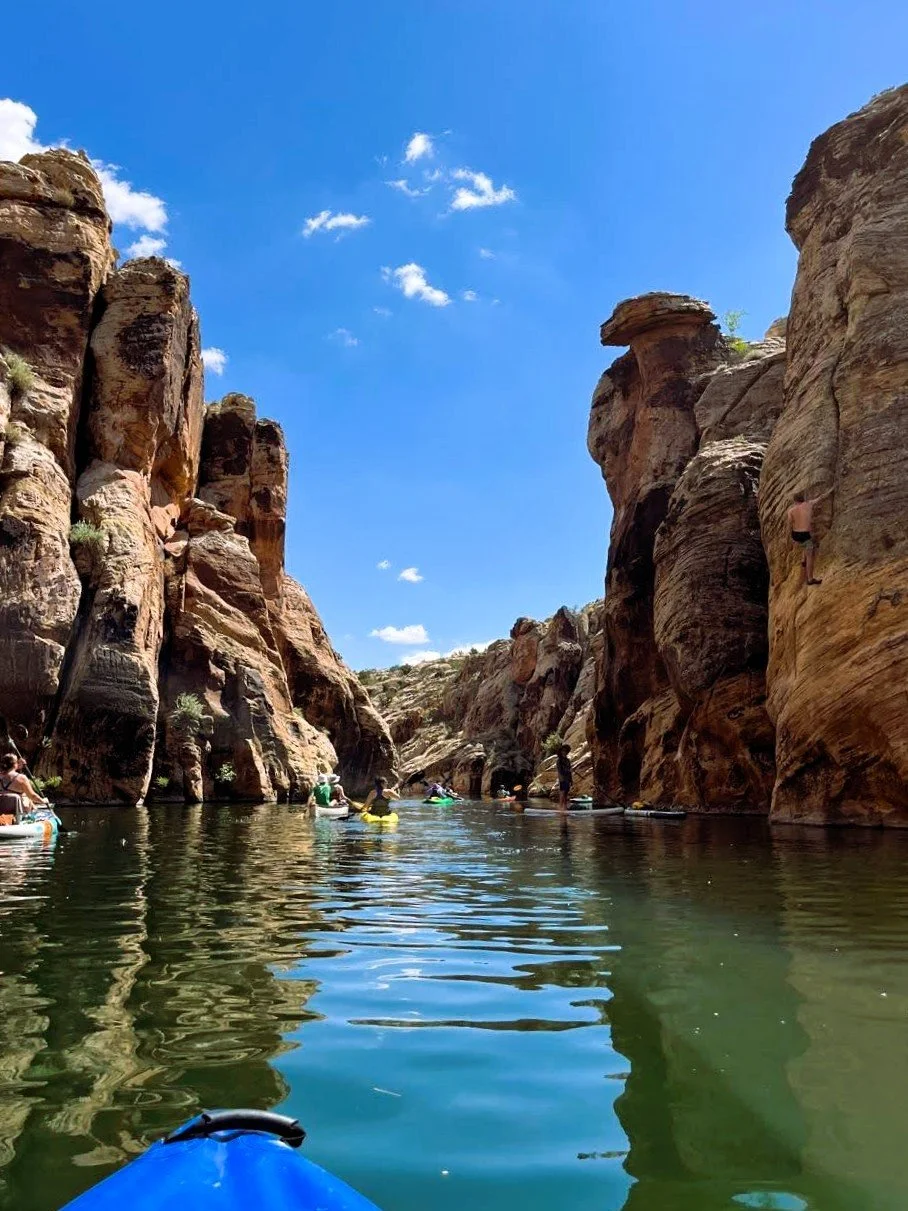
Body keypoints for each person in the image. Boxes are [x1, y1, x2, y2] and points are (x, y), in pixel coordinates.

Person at [788, 488, 833, 586]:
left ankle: (803, 560)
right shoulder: (809, 504)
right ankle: (810, 579)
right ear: (803, 499)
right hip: (805, 535)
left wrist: (791, 537)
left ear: (795, 501)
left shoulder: (791, 511)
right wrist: (831, 490)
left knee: (805, 543)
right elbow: (821, 498)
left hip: (796, 534)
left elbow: (790, 524)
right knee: (810, 554)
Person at [0, 752, 47, 819]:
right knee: (27, 797)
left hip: (2, 812)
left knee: (25, 797)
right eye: (17, 762)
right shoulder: (22, 778)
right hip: (17, 814)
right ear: (15, 764)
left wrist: (18, 766)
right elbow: (32, 796)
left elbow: (9, 773)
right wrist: (43, 801)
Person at [556, 744, 573, 812]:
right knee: (562, 793)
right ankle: (560, 808)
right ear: (561, 752)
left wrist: (571, 780)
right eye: (563, 751)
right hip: (562, 779)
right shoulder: (559, 761)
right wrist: (568, 770)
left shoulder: (568, 760)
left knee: (566, 793)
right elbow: (560, 771)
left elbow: (570, 771)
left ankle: (565, 807)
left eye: (565, 751)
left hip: (568, 779)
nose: (564, 752)